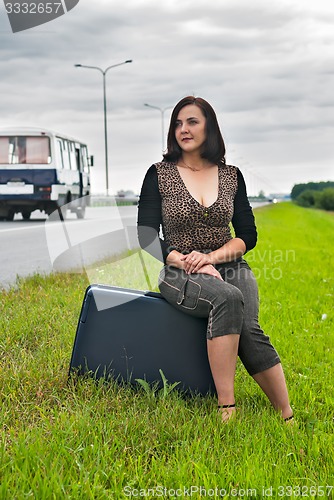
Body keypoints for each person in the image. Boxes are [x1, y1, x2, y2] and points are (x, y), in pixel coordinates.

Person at [137, 96, 293, 423]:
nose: (183, 129)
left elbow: (247, 235)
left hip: (229, 262)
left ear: (209, 126)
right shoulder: (158, 174)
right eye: (178, 123)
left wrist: (210, 257)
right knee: (226, 298)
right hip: (178, 268)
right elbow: (147, 236)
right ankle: (227, 407)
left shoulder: (231, 175)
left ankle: (286, 414)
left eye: (192, 121)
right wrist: (188, 261)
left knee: (249, 326)